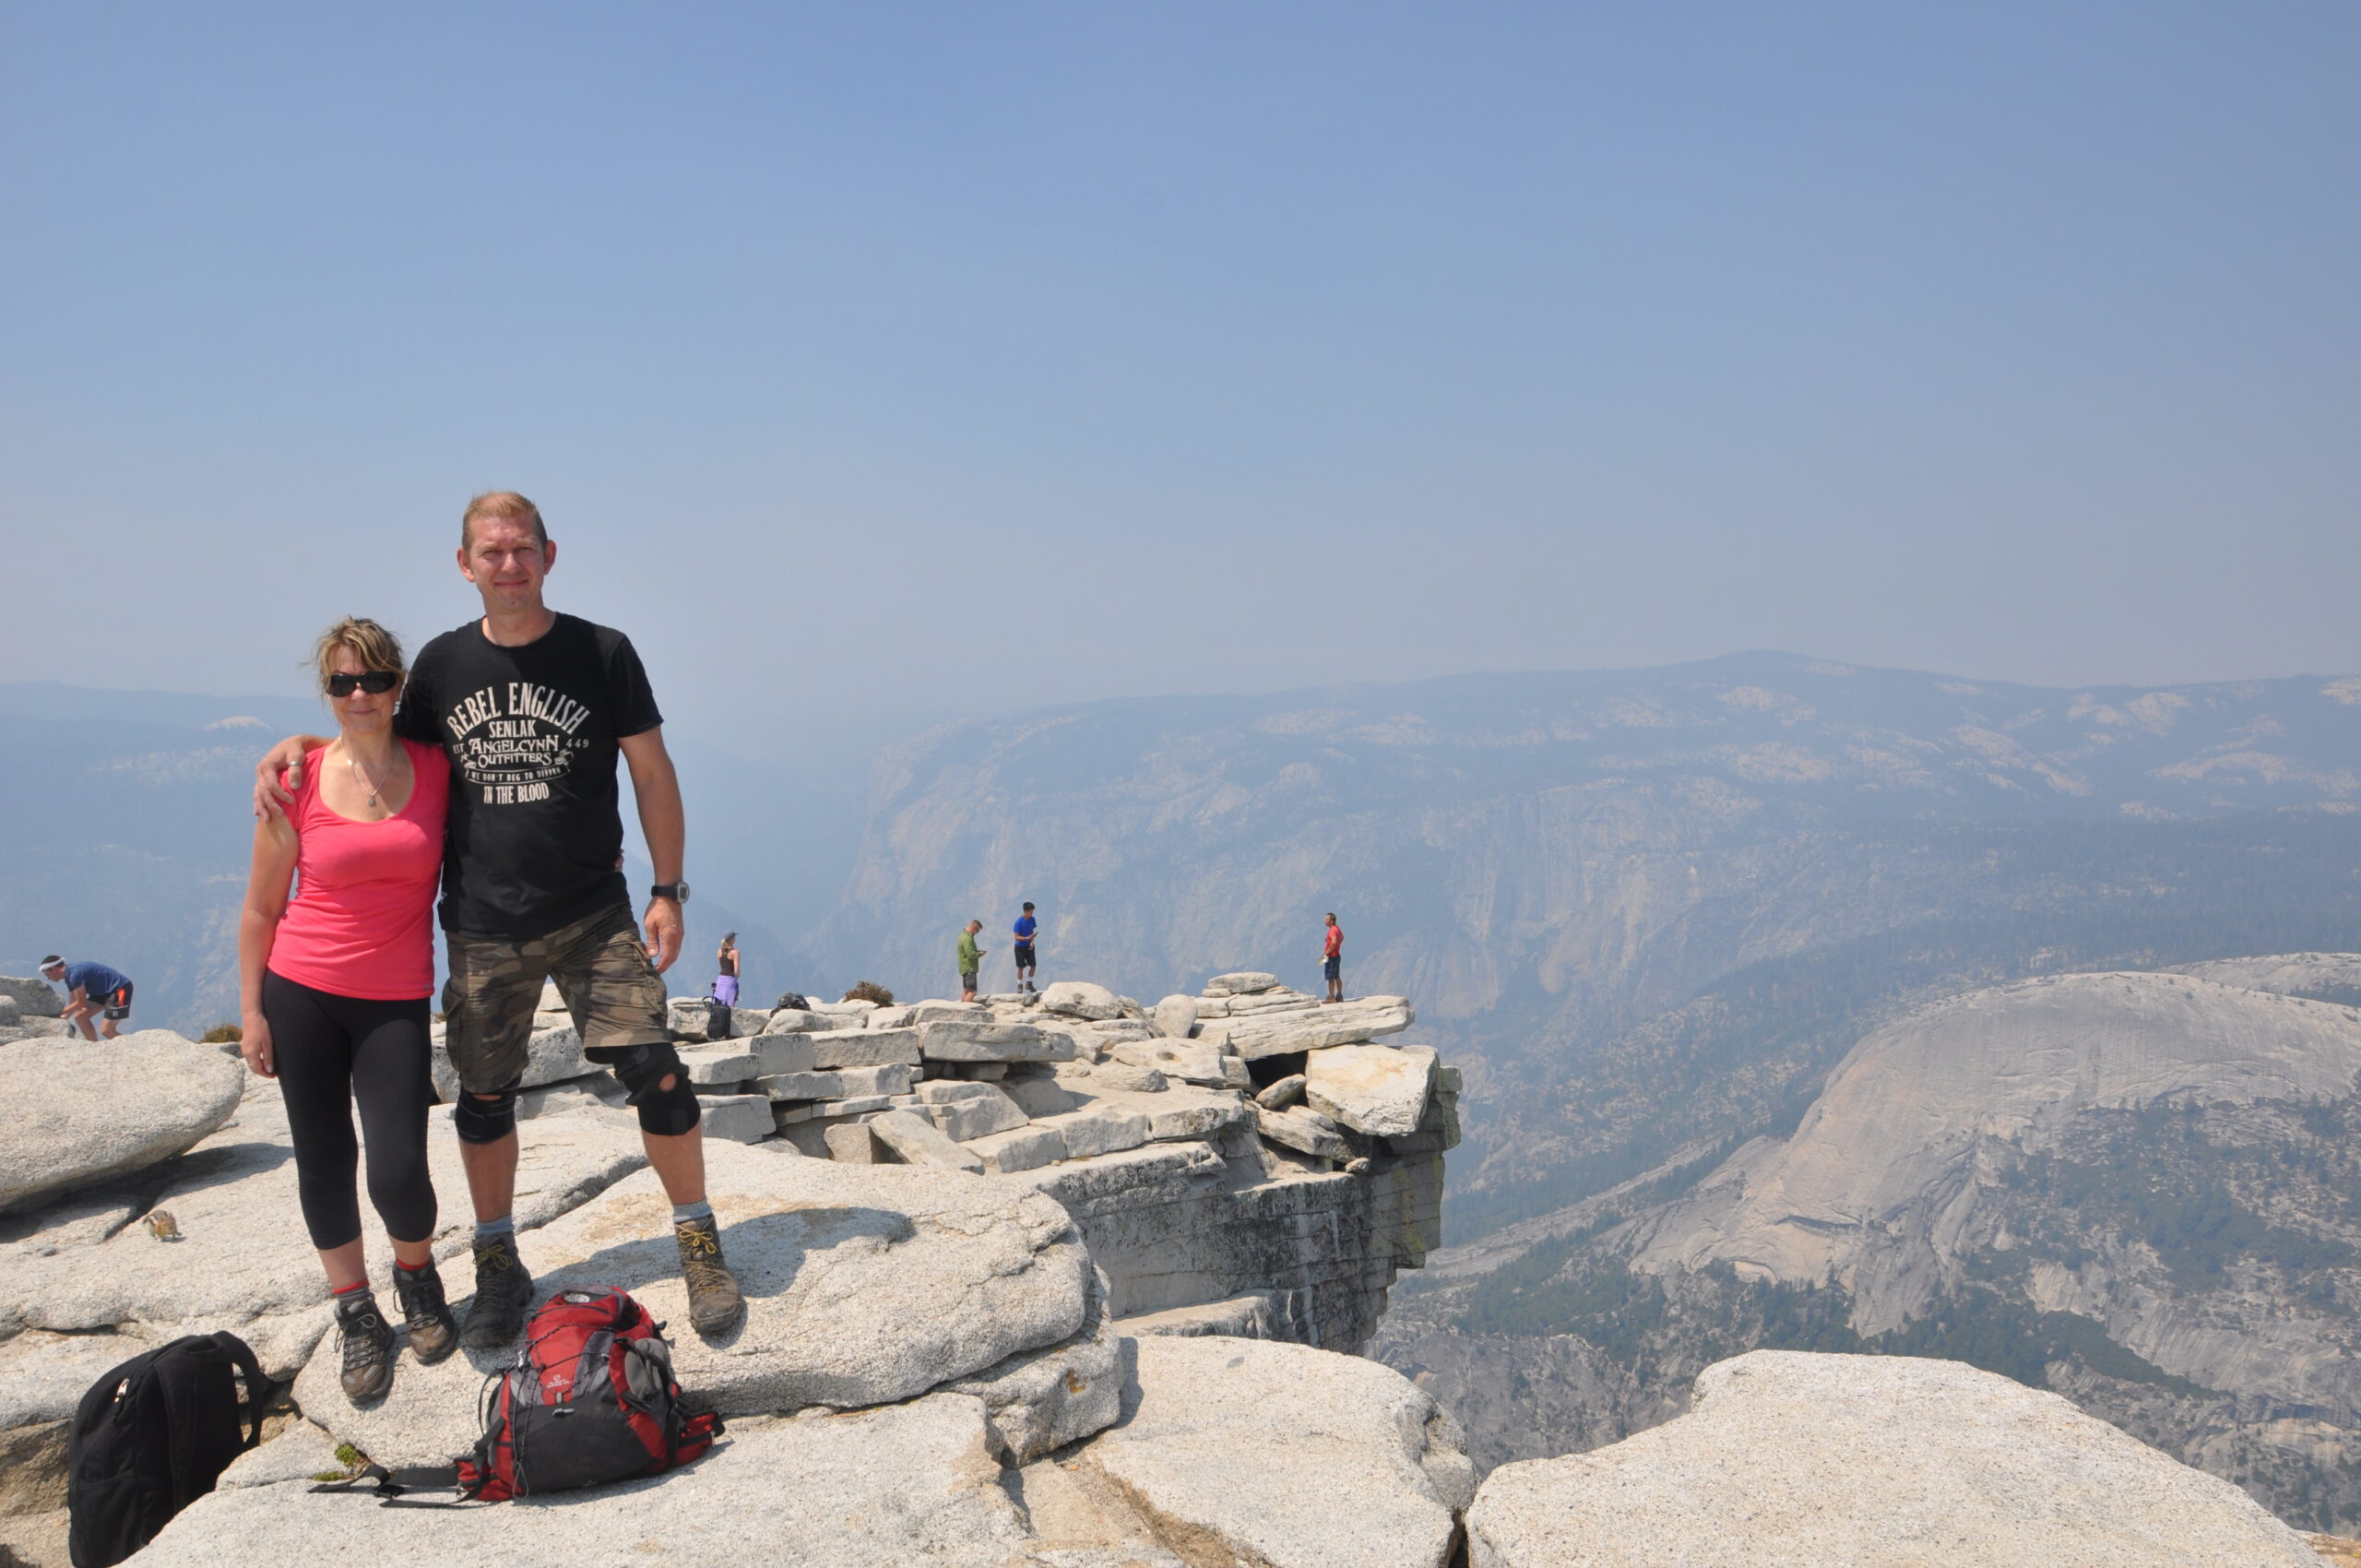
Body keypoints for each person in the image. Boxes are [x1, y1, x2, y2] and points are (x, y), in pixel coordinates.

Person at [255, 491, 743, 1346]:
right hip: (482, 922)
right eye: (492, 552)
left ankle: (698, 1238)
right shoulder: (442, 667)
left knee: (657, 1070)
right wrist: (300, 744)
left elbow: (653, 775)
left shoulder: (603, 653)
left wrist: (669, 890)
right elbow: (373, 740)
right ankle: (495, 1259)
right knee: (484, 1097)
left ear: (550, 556)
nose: (508, 564)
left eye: (522, 549)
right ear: (465, 565)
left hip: (593, 911)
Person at [237, 618, 455, 1400]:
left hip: (394, 996)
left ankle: (416, 1275)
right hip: (301, 992)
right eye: (341, 683)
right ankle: (355, 1311)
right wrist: (251, 1013)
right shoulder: (295, 783)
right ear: (326, 693)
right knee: (324, 1157)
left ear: (398, 686)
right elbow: (262, 909)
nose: (358, 696)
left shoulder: (437, 768)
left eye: (372, 680)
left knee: (399, 1167)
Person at [41, 956, 134, 1039]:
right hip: (102, 992)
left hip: (120, 989)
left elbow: (81, 1003)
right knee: (80, 1016)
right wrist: (62, 1017)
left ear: (53, 969)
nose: (48, 978)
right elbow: (73, 1002)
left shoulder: (75, 975)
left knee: (106, 1030)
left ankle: (135, 1046)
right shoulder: (69, 977)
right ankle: (93, 1046)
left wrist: (58, 1012)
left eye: (47, 975)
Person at [1012, 903, 1038, 994]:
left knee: (1033, 966)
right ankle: (1020, 985)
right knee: (1021, 967)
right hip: (1020, 947)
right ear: (1026, 911)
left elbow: (1031, 931)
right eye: (1031, 911)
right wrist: (1027, 938)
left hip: (1029, 946)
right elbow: (1016, 937)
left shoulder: (1032, 919)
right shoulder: (1018, 922)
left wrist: (1032, 942)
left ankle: (1029, 983)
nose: (1032, 913)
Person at [958, 920, 986, 1002]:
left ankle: (961, 1007)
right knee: (972, 992)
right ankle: (965, 1010)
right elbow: (970, 954)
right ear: (974, 928)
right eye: (977, 931)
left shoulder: (962, 936)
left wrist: (977, 952)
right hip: (970, 967)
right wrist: (980, 954)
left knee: (966, 990)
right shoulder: (967, 939)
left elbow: (968, 952)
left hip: (964, 967)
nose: (977, 933)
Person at [1322, 912, 1345, 1004]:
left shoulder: (1332, 930)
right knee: (1337, 976)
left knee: (1330, 978)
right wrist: (1337, 946)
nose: (1325, 921)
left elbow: (1334, 941)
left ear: (1331, 921)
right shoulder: (1337, 928)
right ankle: (1340, 996)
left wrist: (1327, 952)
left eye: (1326, 919)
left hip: (1331, 957)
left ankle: (1331, 997)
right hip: (1337, 955)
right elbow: (1342, 937)